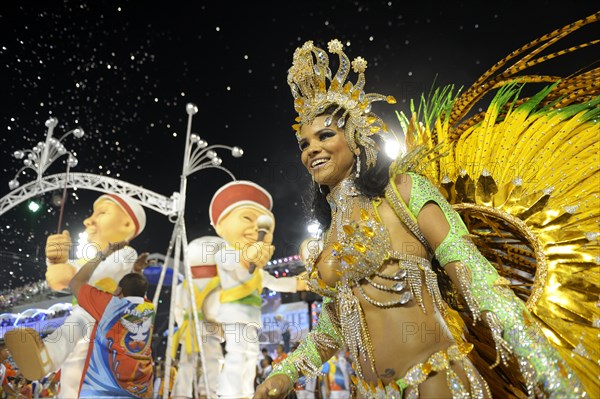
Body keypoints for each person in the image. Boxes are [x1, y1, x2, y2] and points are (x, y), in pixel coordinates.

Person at [255, 31, 597, 398]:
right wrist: (286, 374)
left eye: (325, 136)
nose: (312, 150)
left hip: (434, 382)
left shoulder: (401, 192)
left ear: (355, 138)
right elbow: (333, 327)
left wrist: (544, 365)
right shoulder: (328, 238)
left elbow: (471, 273)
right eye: (304, 143)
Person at [5, 193, 147, 398]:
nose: (89, 220)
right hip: (88, 326)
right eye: (92, 213)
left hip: (104, 321)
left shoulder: (125, 253)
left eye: (103, 213)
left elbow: (93, 276)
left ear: (126, 225)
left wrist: (69, 271)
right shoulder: (93, 256)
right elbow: (59, 279)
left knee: (79, 324)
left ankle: (47, 357)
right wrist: (55, 261)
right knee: (72, 376)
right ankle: (47, 359)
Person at [209, 180, 308, 398]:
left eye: (265, 229)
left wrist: (298, 283)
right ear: (221, 226)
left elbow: (274, 281)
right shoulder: (226, 253)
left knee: (250, 354)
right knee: (236, 354)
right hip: (233, 314)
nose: (256, 229)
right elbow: (236, 267)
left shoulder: (258, 271)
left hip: (252, 317)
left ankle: (244, 393)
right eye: (246, 218)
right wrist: (249, 256)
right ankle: (228, 394)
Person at [68, 240, 155, 398]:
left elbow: (76, 282)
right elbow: (137, 292)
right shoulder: (149, 309)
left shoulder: (110, 306)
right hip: (140, 389)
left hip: (107, 389)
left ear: (118, 290)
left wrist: (103, 254)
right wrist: (137, 271)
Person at [172, 236, 226, 399]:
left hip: (189, 330)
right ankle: (208, 392)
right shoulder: (222, 285)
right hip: (211, 329)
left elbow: (177, 310)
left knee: (186, 363)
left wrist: (183, 327)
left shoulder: (183, 286)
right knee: (212, 361)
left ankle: (181, 393)